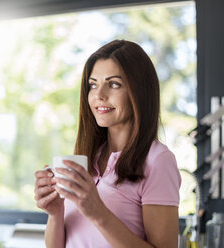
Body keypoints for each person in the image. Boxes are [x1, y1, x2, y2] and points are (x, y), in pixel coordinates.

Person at [34, 40, 181, 248]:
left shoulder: (157, 161)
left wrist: (98, 213)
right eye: (93, 85)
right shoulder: (88, 158)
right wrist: (56, 213)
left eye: (113, 84)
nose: (99, 95)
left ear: (138, 92)